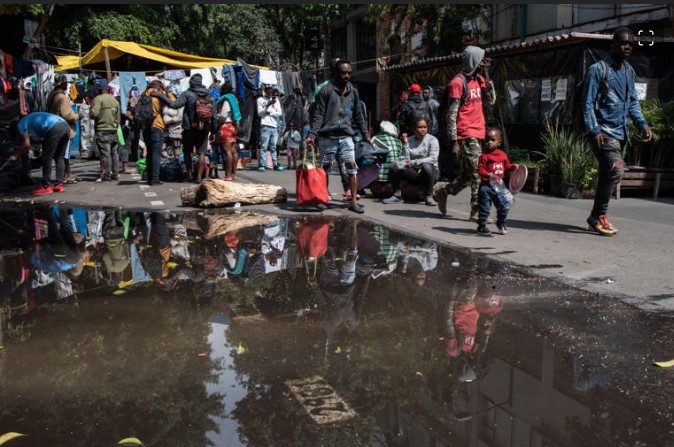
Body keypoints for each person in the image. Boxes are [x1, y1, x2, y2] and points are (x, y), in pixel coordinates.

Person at [582, 27, 651, 236]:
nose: (627, 46)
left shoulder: (628, 71)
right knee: (616, 171)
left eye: (630, 43)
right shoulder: (598, 69)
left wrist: (642, 123)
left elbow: (631, 102)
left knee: (607, 175)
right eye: (623, 42)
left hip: (622, 133)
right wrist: (593, 130)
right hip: (604, 132)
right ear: (612, 44)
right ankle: (598, 215)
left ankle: (596, 216)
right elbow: (587, 103)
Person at [433, 45, 496, 222]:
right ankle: (476, 211)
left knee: (468, 177)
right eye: (481, 59)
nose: (484, 62)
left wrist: (487, 73)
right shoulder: (457, 83)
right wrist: (454, 140)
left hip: (479, 132)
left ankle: (443, 191)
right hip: (466, 133)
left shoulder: (480, 79)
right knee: (478, 172)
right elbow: (451, 114)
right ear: (473, 60)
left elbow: (491, 100)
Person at [306, 58, 371, 214]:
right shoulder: (325, 90)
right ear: (336, 73)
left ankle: (354, 201)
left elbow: (359, 115)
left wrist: (366, 134)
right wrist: (312, 134)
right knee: (325, 169)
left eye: (349, 73)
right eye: (343, 73)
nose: (347, 76)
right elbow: (319, 115)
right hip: (327, 136)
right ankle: (322, 198)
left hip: (346, 136)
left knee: (351, 167)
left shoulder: (353, 92)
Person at [154, 73, 217, 183]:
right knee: (202, 153)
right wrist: (213, 131)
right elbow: (214, 117)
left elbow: (174, 105)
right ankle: (198, 177)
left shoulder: (187, 94)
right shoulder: (210, 96)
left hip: (189, 128)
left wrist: (161, 95)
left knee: (187, 152)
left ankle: (189, 175)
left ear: (192, 82)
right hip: (204, 129)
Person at [382, 116, 439, 206]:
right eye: (419, 127)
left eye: (424, 127)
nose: (422, 130)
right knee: (395, 166)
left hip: (430, 173)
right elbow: (406, 157)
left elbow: (433, 158)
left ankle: (429, 196)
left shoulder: (432, 140)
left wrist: (414, 162)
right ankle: (397, 195)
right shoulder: (410, 140)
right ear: (414, 128)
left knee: (426, 166)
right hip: (414, 172)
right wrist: (405, 144)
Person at [11, 112, 70, 195]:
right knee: (59, 156)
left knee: (46, 158)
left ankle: (46, 186)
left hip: (54, 127)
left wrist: (16, 156)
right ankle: (59, 184)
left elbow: (26, 144)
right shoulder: (29, 120)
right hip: (65, 125)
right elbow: (42, 139)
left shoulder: (20, 125)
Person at [475, 127, 518, 236]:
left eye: (492, 140)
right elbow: (480, 169)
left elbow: (507, 166)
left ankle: (501, 222)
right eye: (487, 140)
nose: (489, 142)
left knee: (504, 206)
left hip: (500, 187)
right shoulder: (484, 157)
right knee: (484, 208)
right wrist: (488, 175)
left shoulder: (502, 155)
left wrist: (514, 167)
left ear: (499, 142)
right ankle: (482, 226)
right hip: (486, 187)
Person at [47, 74, 83, 184]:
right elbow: (67, 115)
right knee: (63, 154)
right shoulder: (62, 97)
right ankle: (65, 176)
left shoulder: (51, 95)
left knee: (59, 154)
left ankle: (66, 174)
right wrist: (78, 116)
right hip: (63, 129)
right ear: (63, 84)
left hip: (53, 127)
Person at [89, 79, 121, 182]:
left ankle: (107, 175)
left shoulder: (98, 99)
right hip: (113, 130)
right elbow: (118, 118)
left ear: (100, 90)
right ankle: (115, 174)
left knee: (106, 154)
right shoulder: (115, 101)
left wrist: (91, 110)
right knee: (114, 153)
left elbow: (94, 114)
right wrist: (114, 124)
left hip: (102, 130)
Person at [141, 80, 169, 186]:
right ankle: (155, 179)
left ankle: (149, 178)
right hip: (157, 126)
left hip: (145, 127)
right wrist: (166, 91)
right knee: (156, 153)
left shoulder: (142, 95)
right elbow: (173, 101)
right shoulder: (157, 97)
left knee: (149, 153)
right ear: (159, 87)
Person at [216, 82, 241, 180]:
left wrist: (217, 118)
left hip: (226, 126)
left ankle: (228, 175)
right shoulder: (234, 99)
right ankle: (234, 174)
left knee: (227, 151)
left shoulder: (226, 100)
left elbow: (223, 115)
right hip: (233, 126)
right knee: (234, 151)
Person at [256, 85, 284, 172]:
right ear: (265, 91)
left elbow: (279, 113)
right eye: (269, 91)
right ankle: (262, 164)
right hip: (265, 124)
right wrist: (267, 106)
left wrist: (270, 112)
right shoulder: (260, 100)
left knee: (273, 146)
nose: (270, 93)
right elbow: (260, 113)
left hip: (274, 125)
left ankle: (275, 164)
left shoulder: (276, 101)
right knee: (264, 146)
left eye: (271, 91)